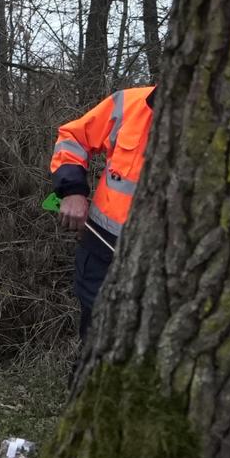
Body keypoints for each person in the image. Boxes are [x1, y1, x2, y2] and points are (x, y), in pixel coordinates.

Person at [50, 85, 156, 335]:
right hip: (103, 254)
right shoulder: (129, 104)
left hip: (171, 267)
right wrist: (72, 191)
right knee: (95, 344)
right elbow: (72, 137)